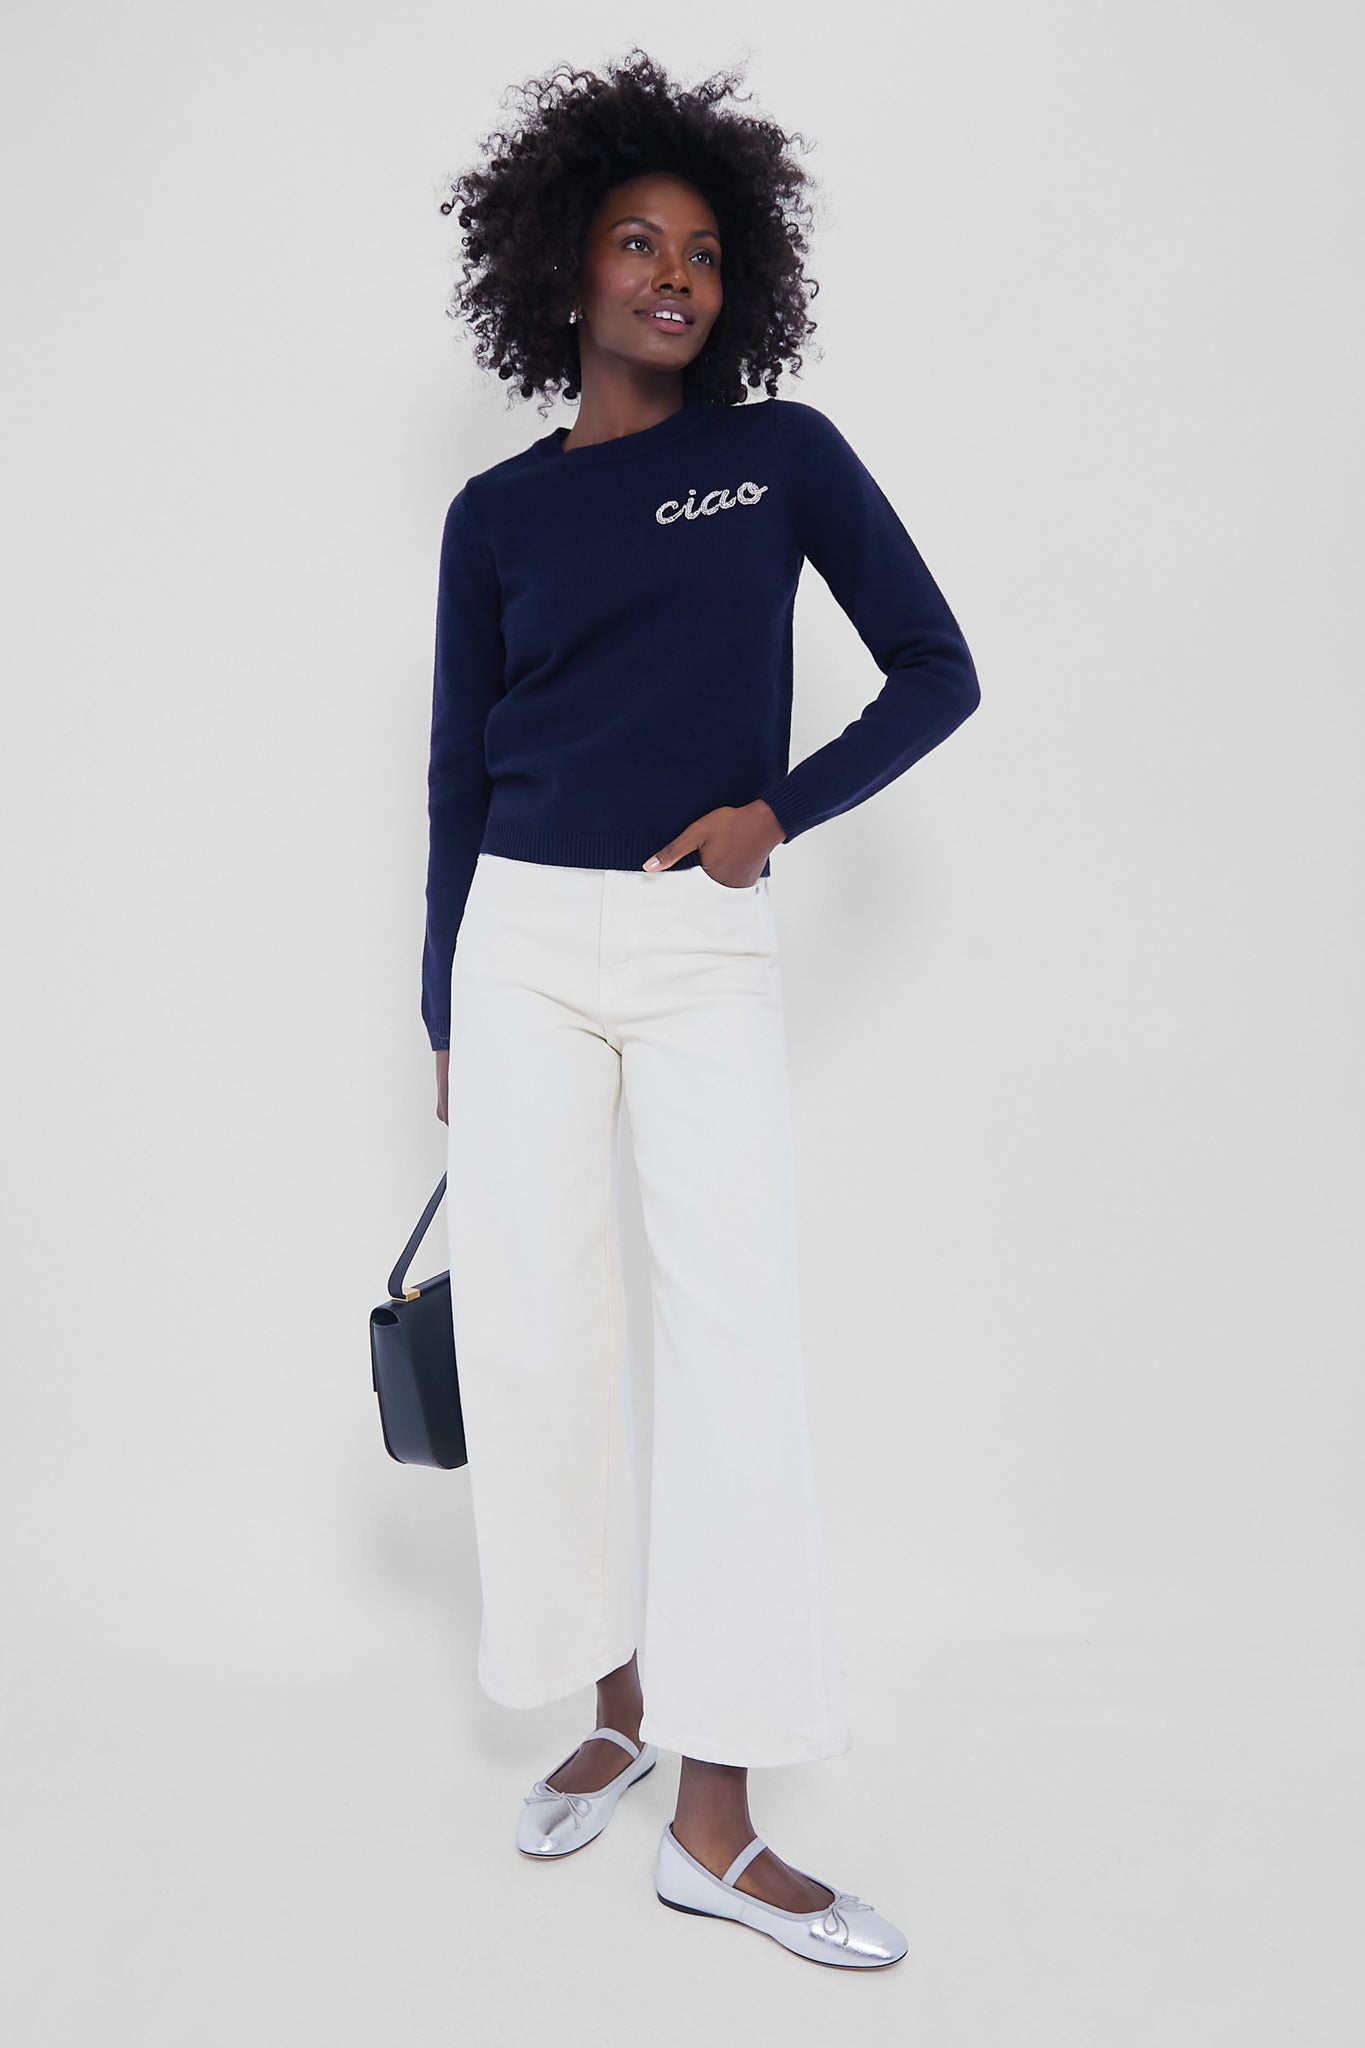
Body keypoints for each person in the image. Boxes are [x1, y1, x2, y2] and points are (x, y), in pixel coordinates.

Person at [421, 49, 980, 1969]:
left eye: (705, 252)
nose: (674, 275)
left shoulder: (779, 455)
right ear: (560, 270)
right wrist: (440, 1006)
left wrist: (775, 817)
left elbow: (935, 668)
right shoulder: (494, 513)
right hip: (514, 942)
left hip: (690, 942)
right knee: (538, 1344)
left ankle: (717, 1825)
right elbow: (453, 776)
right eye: (636, 244)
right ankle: (616, 1701)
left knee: (732, 1350)